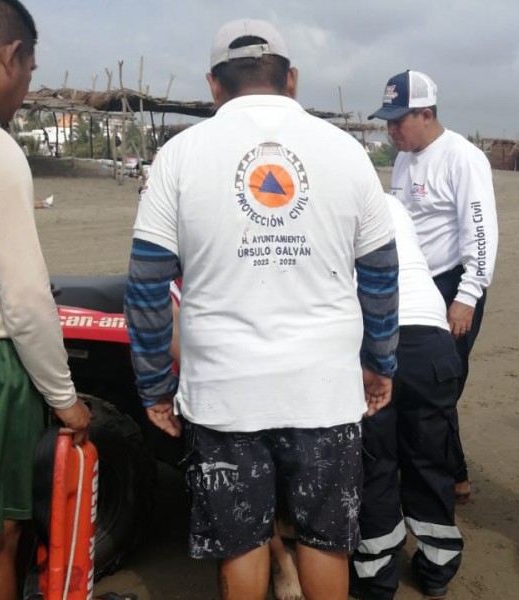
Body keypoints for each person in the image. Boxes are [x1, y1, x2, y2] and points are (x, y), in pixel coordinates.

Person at [124, 19, 398, 600]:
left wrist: (153, 385)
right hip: (325, 387)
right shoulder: (347, 153)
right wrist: (380, 362)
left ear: (213, 85)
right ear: (291, 79)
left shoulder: (179, 156)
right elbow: (380, 273)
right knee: (326, 541)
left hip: (226, 393)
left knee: (241, 543)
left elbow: (146, 285)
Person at [0, 2, 91, 599]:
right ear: (10, 56)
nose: (26, 87)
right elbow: (24, 299)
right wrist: (64, 398)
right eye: (32, 71)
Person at [368, 70, 498, 503]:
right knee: (415, 381)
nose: (391, 131)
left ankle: (450, 479)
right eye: (386, 121)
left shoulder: (463, 157)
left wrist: (467, 297)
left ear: (426, 113)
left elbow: (480, 233)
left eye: (397, 121)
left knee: (440, 386)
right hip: (413, 285)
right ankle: (450, 470)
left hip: (453, 285)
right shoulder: (405, 159)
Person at [351, 195, 463, 600]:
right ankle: (437, 569)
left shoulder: (328, 203)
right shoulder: (392, 204)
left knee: (375, 462)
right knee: (431, 460)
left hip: (375, 343)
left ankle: (378, 577)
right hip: (433, 342)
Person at [168, 280, 303, 600]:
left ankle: (282, 535)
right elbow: (187, 359)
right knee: (244, 501)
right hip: (223, 404)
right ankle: (281, 557)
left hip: (277, 388)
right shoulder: (171, 287)